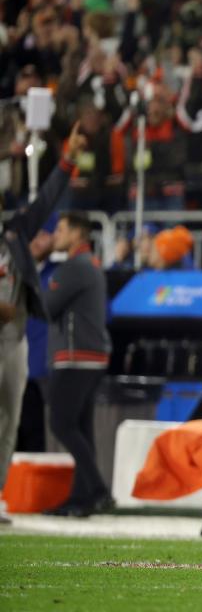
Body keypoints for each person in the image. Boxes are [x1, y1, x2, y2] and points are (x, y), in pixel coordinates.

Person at [0, 124, 85, 525]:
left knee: (9, 417)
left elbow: (47, 199)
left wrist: (69, 158)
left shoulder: (15, 230)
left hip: (14, 334)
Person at [43, 211, 112, 517]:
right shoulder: (91, 265)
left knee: (61, 423)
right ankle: (81, 498)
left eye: (60, 230)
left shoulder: (73, 267)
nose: (55, 235)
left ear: (77, 234)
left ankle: (97, 489)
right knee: (81, 427)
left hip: (76, 356)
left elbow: (46, 307)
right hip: (91, 356)